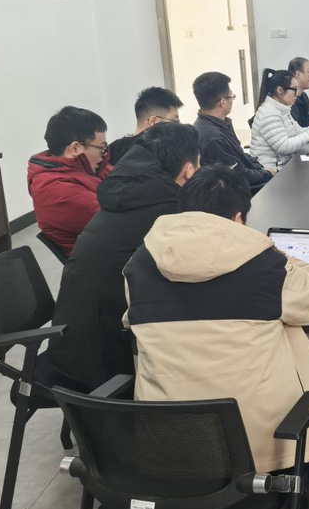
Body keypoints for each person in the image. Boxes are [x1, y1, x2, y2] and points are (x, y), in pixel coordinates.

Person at [124, 164, 309, 509]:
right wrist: (284, 256)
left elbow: (131, 317)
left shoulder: (140, 262)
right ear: (238, 218)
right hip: (256, 432)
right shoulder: (262, 263)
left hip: (176, 434)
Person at [46, 122, 200, 388]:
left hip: (73, 344)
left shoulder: (126, 192)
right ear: (189, 171)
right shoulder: (167, 210)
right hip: (107, 365)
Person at [27, 106, 112, 257]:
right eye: (101, 148)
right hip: (99, 260)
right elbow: (117, 220)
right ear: (75, 148)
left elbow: (126, 182)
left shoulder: (86, 166)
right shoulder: (55, 189)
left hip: (111, 246)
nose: (103, 154)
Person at [192, 71, 276, 194]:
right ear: (223, 102)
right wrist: (267, 174)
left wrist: (262, 170)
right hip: (237, 193)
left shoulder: (217, 124)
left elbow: (239, 156)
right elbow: (237, 175)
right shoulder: (212, 137)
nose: (232, 100)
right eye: (231, 96)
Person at [250, 69, 309, 168]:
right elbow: (284, 147)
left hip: (285, 164)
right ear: (280, 90)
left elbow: (299, 132)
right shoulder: (269, 114)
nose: (297, 94)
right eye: (294, 89)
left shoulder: (282, 109)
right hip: (272, 170)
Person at [108, 87, 182, 165]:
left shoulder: (113, 149)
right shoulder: (161, 150)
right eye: (175, 121)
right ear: (154, 121)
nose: (179, 126)